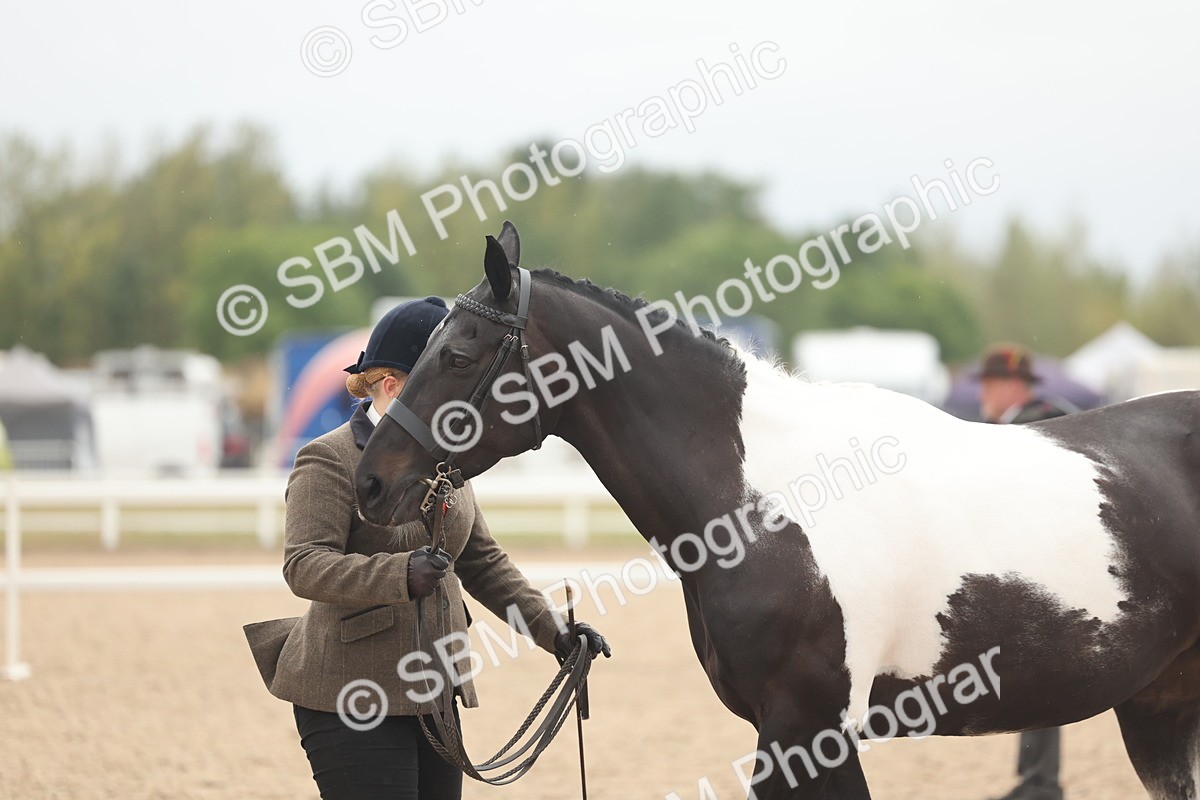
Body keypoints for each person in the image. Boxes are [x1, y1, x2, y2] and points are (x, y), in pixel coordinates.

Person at [244, 296, 610, 800]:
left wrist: (554, 631)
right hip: (350, 692)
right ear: (391, 386)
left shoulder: (445, 459)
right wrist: (399, 575)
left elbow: (481, 561)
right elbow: (304, 565)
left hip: (434, 692)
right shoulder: (328, 458)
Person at [979, 344, 1072, 800]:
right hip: (1034, 560)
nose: (983, 392)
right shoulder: (1032, 420)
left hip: (1046, 564)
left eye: (990, 383)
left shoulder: (1033, 424)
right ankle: (1035, 779)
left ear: (1011, 386)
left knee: (1042, 672)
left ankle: (1040, 782)